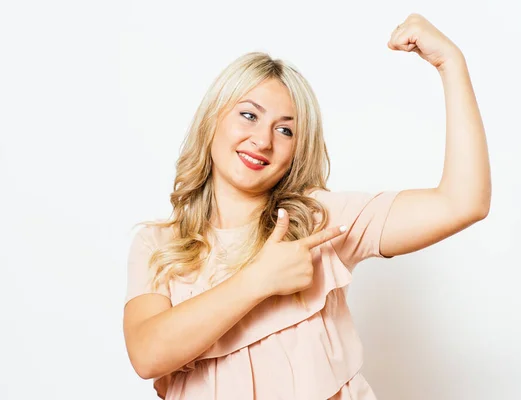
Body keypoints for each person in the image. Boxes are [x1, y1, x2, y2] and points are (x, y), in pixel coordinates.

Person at [123, 13, 491, 400]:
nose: (263, 140)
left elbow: (462, 202)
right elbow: (147, 356)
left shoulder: (319, 222)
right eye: (248, 115)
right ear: (213, 119)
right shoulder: (158, 244)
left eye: (285, 130)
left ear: (297, 150)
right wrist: (259, 279)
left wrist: (451, 63)